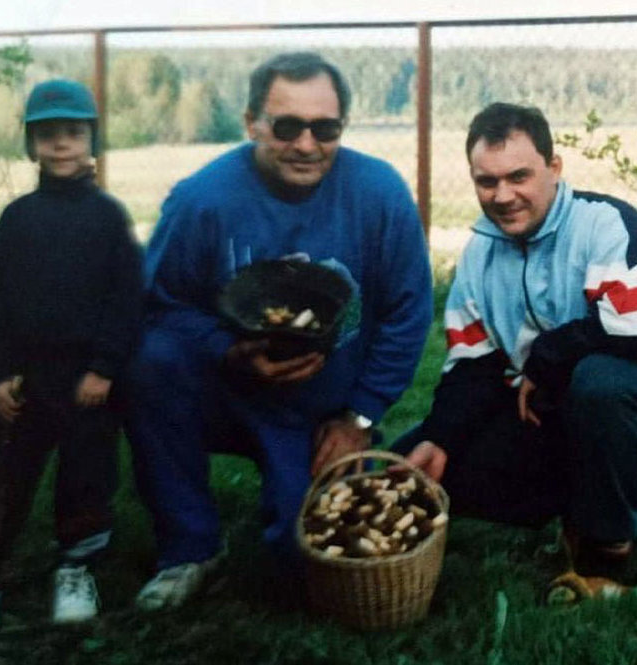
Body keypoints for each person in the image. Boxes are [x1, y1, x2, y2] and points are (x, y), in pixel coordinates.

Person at [124, 52, 433, 612]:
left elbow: (408, 313)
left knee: (311, 560)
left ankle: (306, 488)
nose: (306, 145)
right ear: (253, 123)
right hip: (227, 391)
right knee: (150, 361)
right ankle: (188, 548)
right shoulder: (202, 199)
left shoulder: (380, 193)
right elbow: (156, 305)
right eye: (287, 126)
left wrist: (360, 418)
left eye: (325, 128)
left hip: (321, 413)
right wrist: (227, 350)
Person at [394, 102, 637, 603]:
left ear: (554, 168)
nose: (502, 196)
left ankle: (607, 558)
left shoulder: (604, 222)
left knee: (601, 382)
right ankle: (574, 504)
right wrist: (440, 436)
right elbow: (475, 365)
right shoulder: (479, 252)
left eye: (518, 176)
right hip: (549, 417)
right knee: (409, 465)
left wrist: (548, 358)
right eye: (486, 181)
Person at [0, 79, 144, 630]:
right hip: (26, 380)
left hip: (86, 381)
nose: (61, 144)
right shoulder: (17, 219)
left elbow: (126, 300)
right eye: (48, 134)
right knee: (3, 479)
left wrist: (104, 367)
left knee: (86, 475)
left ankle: (76, 569)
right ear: (31, 144)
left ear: (91, 140)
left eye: (74, 133)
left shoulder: (109, 217)